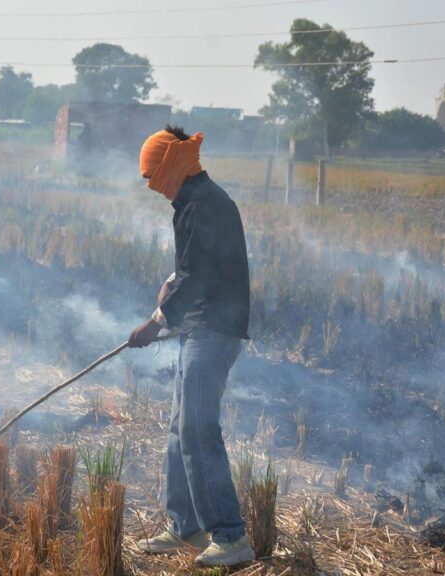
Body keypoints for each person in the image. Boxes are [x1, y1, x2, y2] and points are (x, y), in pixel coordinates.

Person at [127, 124, 254, 567]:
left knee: (199, 429)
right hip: (198, 327)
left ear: (172, 165)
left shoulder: (205, 204)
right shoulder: (191, 202)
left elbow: (197, 276)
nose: (150, 184)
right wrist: (168, 288)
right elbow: (189, 267)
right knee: (181, 428)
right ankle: (186, 528)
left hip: (215, 331)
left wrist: (155, 322)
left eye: (152, 174)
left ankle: (231, 536)